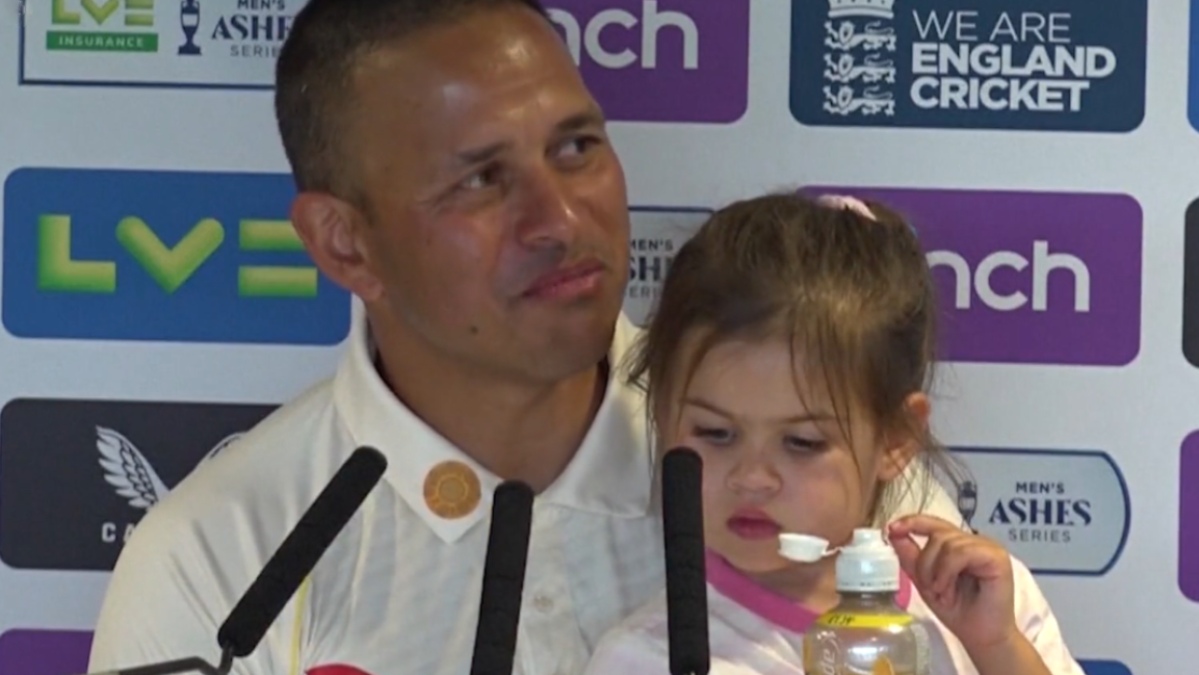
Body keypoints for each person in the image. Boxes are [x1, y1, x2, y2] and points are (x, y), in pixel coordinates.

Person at [87, 2, 965, 675]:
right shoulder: (218, 551)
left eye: (575, 147)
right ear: (344, 243)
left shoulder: (832, 465)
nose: (560, 219)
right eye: (480, 180)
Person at [581, 192, 1085, 675]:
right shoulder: (644, 658)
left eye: (802, 443)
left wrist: (997, 649)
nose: (752, 478)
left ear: (896, 437)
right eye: (715, 433)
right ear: (662, 414)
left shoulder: (988, 603)